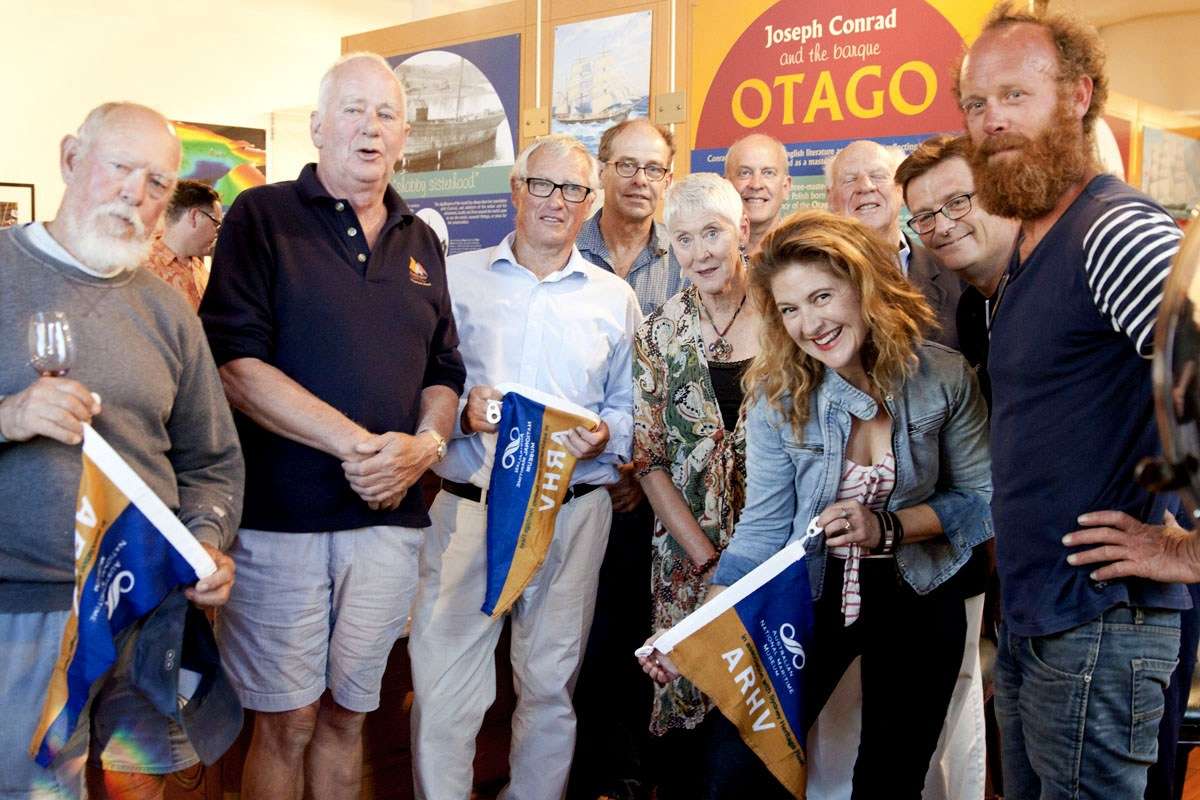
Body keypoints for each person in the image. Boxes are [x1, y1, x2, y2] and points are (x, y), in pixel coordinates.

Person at [199, 52, 465, 800]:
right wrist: (360, 447)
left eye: (385, 115)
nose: (369, 129)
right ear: (318, 126)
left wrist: (425, 448)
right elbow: (234, 365)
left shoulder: (421, 240)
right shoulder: (262, 216)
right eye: (353, 110)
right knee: (285, 723)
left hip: (388, 526)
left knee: (350, 718)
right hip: (283, 525)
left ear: (406, 135)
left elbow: (446, 371)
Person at [955, 5, 1191, 798]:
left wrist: (1187, 549)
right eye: (976, 105)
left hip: (1100, 627)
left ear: (1079, 94)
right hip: (1042, 626)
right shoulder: (1031, 243)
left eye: (1015, 96)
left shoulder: (1115, 231)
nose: (992, 122)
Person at [680, 209, 993, 798]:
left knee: (890, 778)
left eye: (822, 296)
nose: (809, 324)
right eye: (790, 309)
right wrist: (697, 633)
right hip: (813, 588)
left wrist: (889, 528)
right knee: (734, 770)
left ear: (866, 286)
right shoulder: (777, 394)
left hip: (919, 591)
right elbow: (764, 526)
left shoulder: (945, 377)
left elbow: (981, 502)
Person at [0, 102, 242, 800]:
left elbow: (212, 460)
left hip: (148, 612)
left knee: (147, 787)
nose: (136, 194)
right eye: (120, 168)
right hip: (28, 614)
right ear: (72, 158)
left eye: (158, 182)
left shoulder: (166, 309)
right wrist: (10, 416)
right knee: (40, 790)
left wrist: (204, 541)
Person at [407, 133, 640, 800]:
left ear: (590, 202)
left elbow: (628, 407)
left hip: (572, 515)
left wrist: (605, 438)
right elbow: (423, 383)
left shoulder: (612, 298)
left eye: (573, 190)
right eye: (543, 184)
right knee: (446, 690)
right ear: (516, 190)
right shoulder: (458, 280)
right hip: (470, 509)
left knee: (549, 686)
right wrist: (461, 407)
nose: (556, 201)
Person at [631, 172, 765, 797]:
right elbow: (649, 459)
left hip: (776, 552)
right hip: (686, 556)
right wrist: (707, 558)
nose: (700, 253)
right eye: (683, 240)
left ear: (742, 229)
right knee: (690, 702)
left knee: (766, 708)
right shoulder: (658, 331)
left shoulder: (784, 312)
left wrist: (745, 562)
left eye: (712, 233)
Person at [571, 117, 682, 800]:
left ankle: (634, 772)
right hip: (574, 485)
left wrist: (640, 473)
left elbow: (689, 381)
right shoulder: (562, 245)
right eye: (628, 165)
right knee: (577, 640)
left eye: (654, 168)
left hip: (655, 491)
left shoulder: (683, 257)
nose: (641, 180)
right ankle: (581, 776)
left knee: (640, 632)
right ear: (604, 170)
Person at [896, 134, 1017, 405]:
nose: (943, 226)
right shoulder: (971, 310)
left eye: (958, 202)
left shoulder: (1059, 282)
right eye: (925, 217)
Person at [826, 139, 962, 349]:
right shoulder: (813, 281)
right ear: (831, 198)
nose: (865, 186)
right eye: (849, 179)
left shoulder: (954, 270)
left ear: (900, 190)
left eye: (878, 176)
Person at [144, 179, 222, 310]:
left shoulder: (198, 267)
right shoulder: (144, 269)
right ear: (195, 216)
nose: (217, 232)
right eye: (215, 223)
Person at [724, 133, 792, 255]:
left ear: (786, 187)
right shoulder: (705, 255)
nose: (756, 185)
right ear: (726, 185)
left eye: (768, 173)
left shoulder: (802, 254)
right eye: (745, 173)